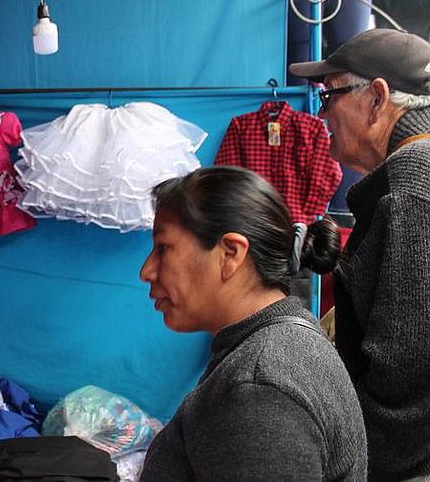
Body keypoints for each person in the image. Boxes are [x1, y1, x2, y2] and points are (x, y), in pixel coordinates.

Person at [138, 166, 366, 481]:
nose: (147, 271)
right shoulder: (279, 343)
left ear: (230, 253)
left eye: (164, 248)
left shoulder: (261, 389)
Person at [289, 28, 430, 480]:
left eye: (329, 96)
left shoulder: (412, 183)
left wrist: (353, 460)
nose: (321, 113)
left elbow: (404, 368)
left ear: (377, 98)